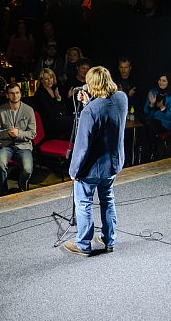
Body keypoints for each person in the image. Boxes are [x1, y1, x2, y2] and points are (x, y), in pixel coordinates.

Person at [63, 66, 127, 256]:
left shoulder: (90, 111)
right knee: (107, 199)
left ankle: (83, 245)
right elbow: (106, 114)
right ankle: (109, 240)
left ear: (92, 84)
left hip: (91, 168)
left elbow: (82, 146)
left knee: (84, 203)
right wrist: (89, 102)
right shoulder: (122, 98)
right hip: (113, 164)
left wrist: (74, 170)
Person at [0, 82, 36, 194]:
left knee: (27, 169)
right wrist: (7, 133)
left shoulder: (28, 110)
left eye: (17, 93)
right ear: (7, 95)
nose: (15, 95)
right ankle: (2, 192)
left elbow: (32, 134)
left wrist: (19, 134)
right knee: (1, 164)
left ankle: (22, 189)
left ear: (20, 94)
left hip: (23, 145)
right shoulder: (0, 110)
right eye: (12, 93)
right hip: (5, 144)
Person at [143, 74, 171, 160]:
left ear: (168, 82)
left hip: (165, 124)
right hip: (151, 121)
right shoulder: (153, 92)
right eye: (159, 80)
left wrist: (162, 108)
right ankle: (151, 151)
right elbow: (146, 112)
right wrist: (151, 104)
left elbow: (170, 116)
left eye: (164, 81)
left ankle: (152, 152)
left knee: (149, 125)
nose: (161, 82)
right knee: (146, 125)